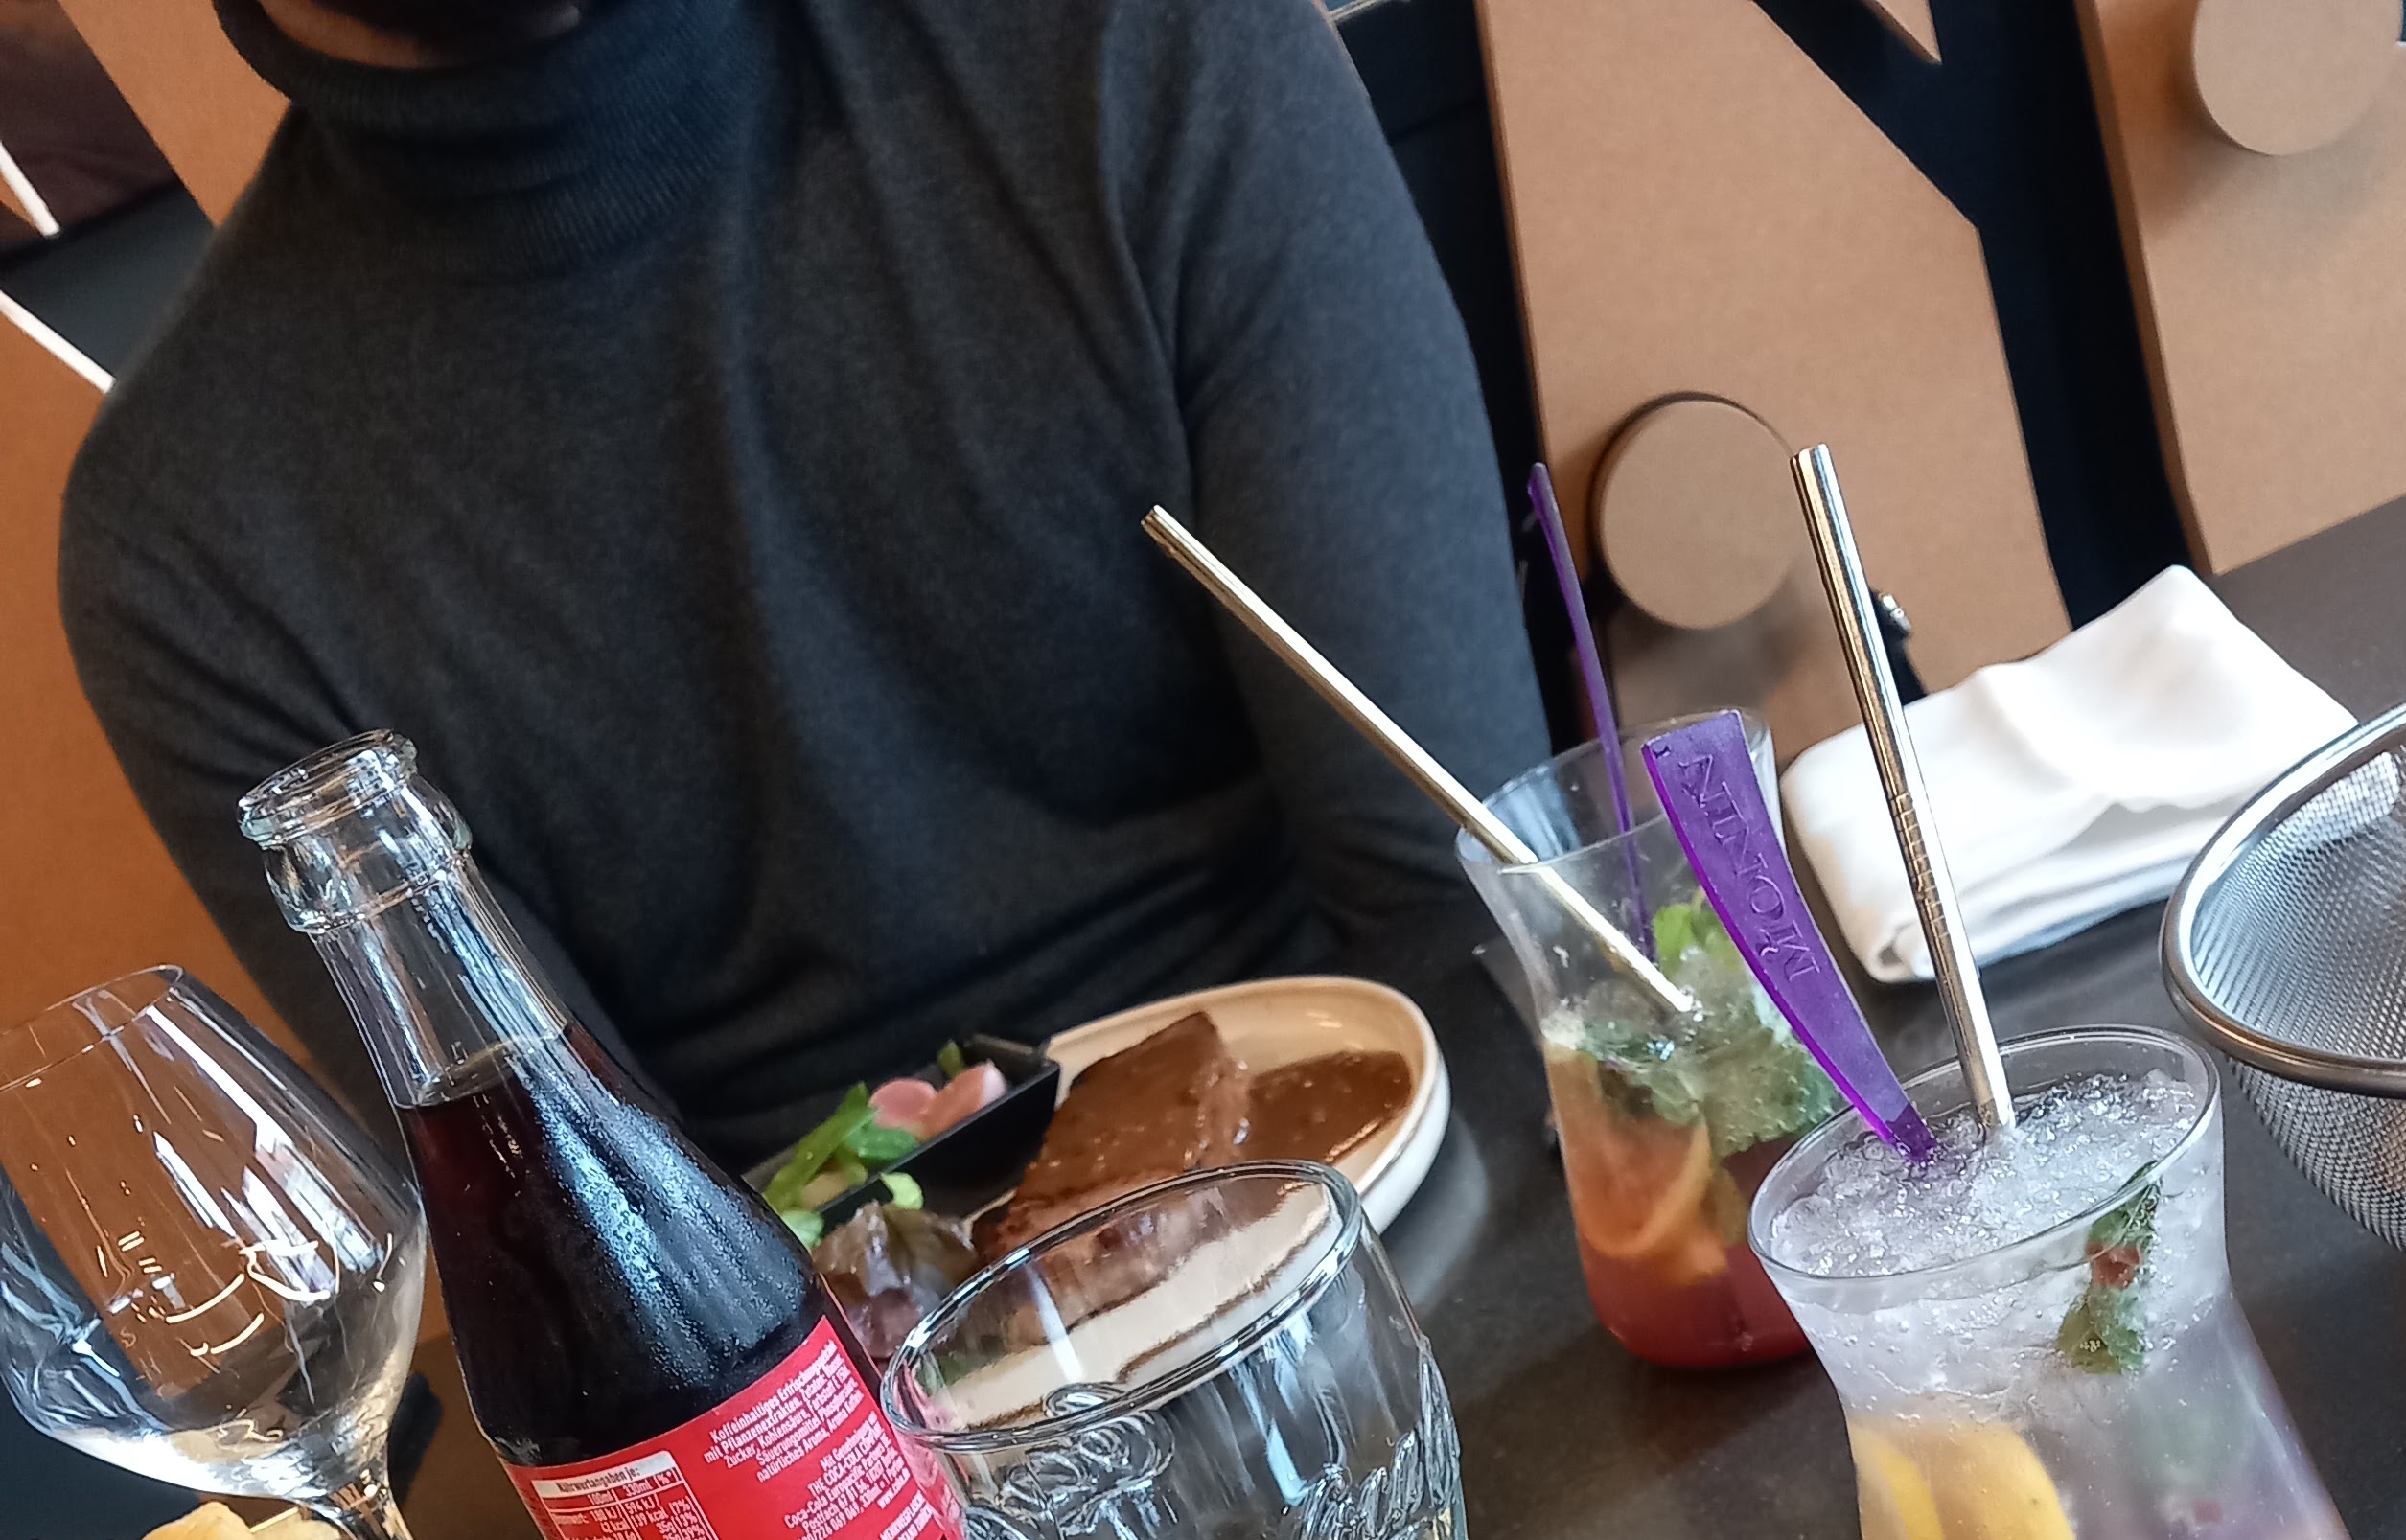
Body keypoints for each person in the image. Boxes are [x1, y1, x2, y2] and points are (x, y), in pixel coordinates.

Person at [59, 0, 1546, 1164]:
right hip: (842, 1413)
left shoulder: (1129, 41)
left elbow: (1466, 907)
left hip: (1393, 1184)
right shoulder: (190, 541)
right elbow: (609, 1259)